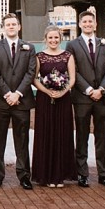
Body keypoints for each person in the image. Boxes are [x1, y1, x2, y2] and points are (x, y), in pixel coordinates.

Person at [67, 10, 105, 188]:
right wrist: (88, 89)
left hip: (103, 97)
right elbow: (74, 71)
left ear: (95, 24)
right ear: (80, 24)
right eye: (84, 22)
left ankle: (104, 173)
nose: (88, 24)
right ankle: (82, 173)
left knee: (102, 136)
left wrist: (101, 89)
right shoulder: (72, 45)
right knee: (82, 135)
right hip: (82, 98)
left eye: (90, 22)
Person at [0, 13, 36, 190]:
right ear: (4, 27)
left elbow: (31, 73)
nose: (11, 27)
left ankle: (24, 175)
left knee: (22, 140)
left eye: (14, 24)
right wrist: (8, 93)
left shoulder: (29, 47)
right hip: (1, 101)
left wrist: (18, 94)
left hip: (22, 101)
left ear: (19, 27)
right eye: (8, 24)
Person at [31, 26, 76, 187]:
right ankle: (46, 175)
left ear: (60, 39)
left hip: (63, 99)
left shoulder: (67, 56)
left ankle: (61, 174)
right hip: (45, 99)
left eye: (56, 38)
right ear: (46, 39)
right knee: (46, 133)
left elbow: (72, 78)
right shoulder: (39, 56)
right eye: (50, 38)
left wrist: (63, 91)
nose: (53, 40)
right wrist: (47, 91)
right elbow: (34, 78)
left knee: (62, 133)